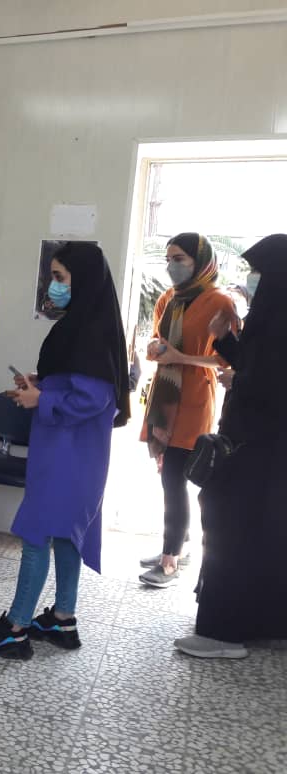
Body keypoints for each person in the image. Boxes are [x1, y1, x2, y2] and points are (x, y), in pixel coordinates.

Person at [0, 242, 130, 659]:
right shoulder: (87, 324)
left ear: (82, 280)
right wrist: (42, 383)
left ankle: (15, 629)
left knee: (37, 534)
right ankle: (62, 619)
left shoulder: (90, 333)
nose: (53, 286)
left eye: (59, 277)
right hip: (74, 453)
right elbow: (77, 380)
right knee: (67, 535)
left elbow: (95, 399)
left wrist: (43, 399)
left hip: (68, 456)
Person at [174, 234, 287, 658]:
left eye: (259, 272)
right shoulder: (271, 316)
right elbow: (259, 367)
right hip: (261, 451)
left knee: (231, 533)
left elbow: (271, 386)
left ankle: (222, 634)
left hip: (255, 450)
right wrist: (225, 342)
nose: (253, 279)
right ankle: (262, 623)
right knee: (258, 534)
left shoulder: (279, 320)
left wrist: (240, 381)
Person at [138, 233, 237, 588]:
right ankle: (178, 545)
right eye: (168, 258)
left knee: (175, 476)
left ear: (201, 262)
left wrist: (182, 357)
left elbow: (228, 358)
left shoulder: (220, 302)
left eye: (179, 258)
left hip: (194, 396)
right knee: (168, 474)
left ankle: (170, 560)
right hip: (165, 395)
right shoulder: (169, 298)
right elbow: (158, 338)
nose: (172, 266)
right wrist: (156, 348)